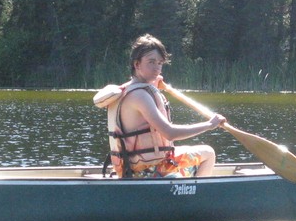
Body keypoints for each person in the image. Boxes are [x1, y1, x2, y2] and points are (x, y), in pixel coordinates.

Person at [96, 35, 226, 178]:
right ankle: (194, 191)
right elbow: (170, 133)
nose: (157, 68)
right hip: (149, 168)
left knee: (198, 155)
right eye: (151, 62)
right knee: (208, 153)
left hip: (129, 167)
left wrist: (151, 84)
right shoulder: (140, 96)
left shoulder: (127, 90)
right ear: (137, 64)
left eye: (159, 63)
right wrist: (209, 125)